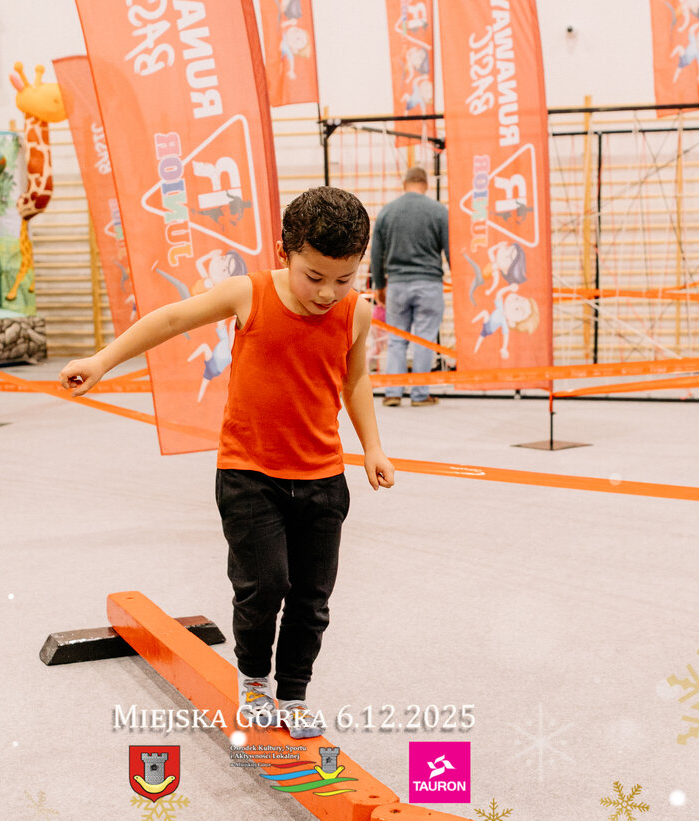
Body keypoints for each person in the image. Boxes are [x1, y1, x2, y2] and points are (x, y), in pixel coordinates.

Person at [59, 187, 395, 738]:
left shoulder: (355, 312)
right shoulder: (249, 293)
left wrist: (373, 446)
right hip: (249, 475)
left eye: (344, 278)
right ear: (285, 251)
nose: (327, 292)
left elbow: (354, 377)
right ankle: (255, 679)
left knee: (312, 599)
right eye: (314, 276)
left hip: (322, 478)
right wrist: (102, 360)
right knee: (264, 587)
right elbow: (172, 319)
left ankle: (293, 693)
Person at [370, 166, 449, 407]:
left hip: (397, 285)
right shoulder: (438, 211)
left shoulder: (388, 212)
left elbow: (376, 253)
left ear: (405, 184)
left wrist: (379, 285)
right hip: (429, 284)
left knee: (396, 339)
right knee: (424, 339)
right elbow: (450, 249)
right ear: (425, 185)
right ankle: (420, 395)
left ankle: (393, 392)